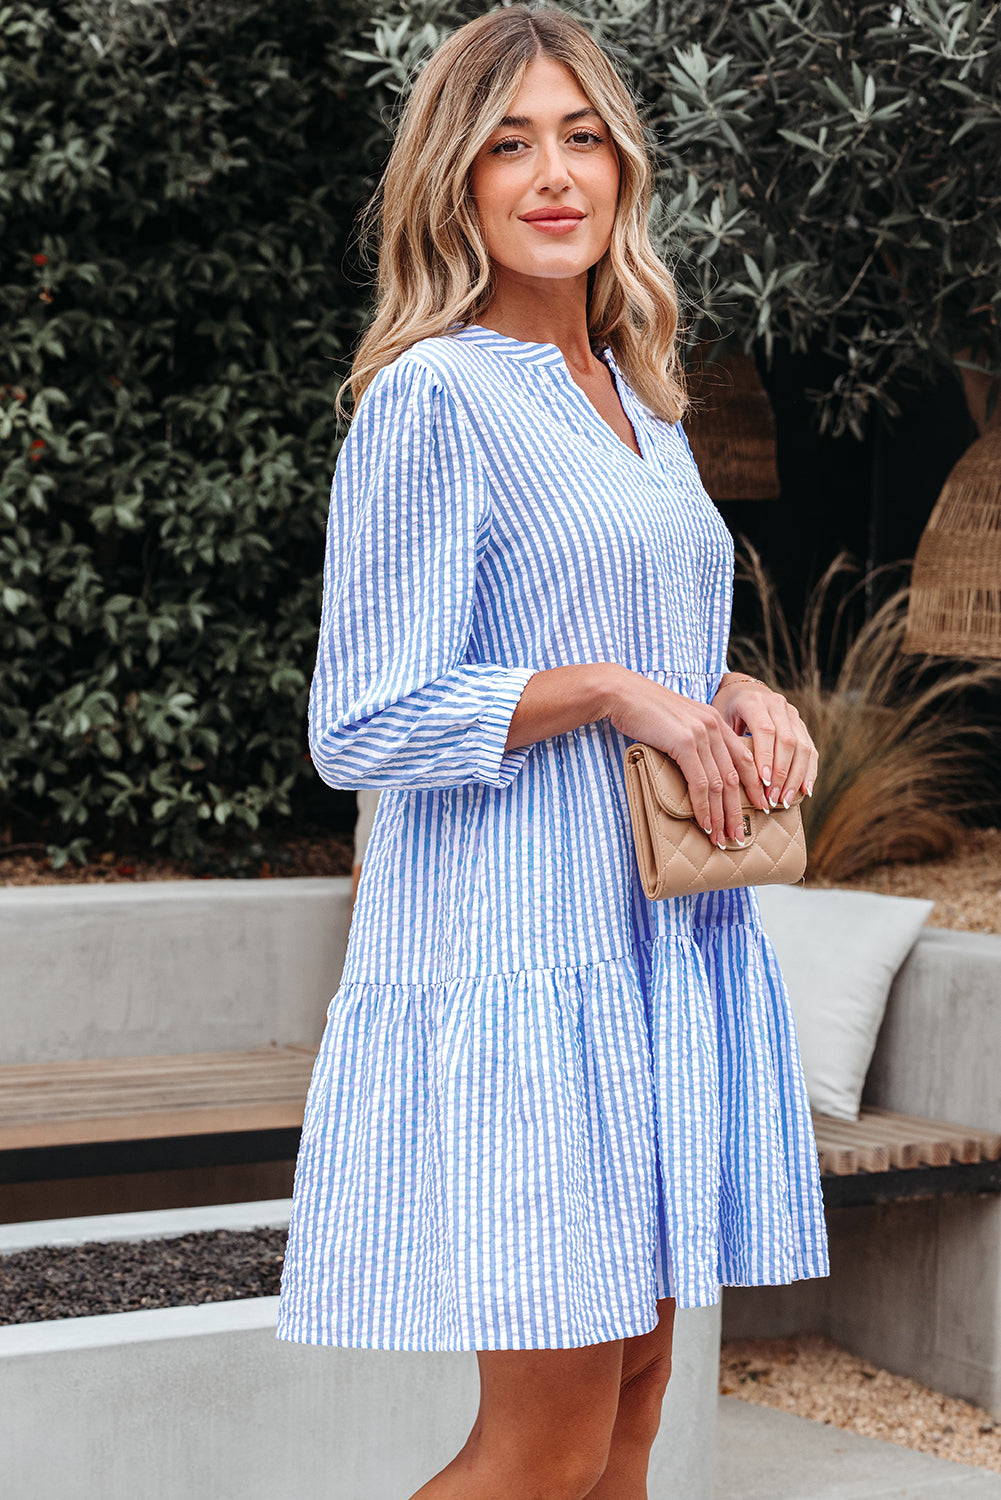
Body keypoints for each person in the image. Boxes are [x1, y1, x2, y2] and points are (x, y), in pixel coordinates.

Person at [276, 7, 829, 1496]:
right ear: (450, 181)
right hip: (524, 958)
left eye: (580, 136)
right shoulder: (431, 397)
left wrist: (733, 692)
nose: (551, 174)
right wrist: (603, 693)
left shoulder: (640, 399)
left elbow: (640, 638)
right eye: (508, 142)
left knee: (636, 1403)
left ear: (623, 168)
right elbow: (363, 719)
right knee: (544, 1444)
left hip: (657, 947)